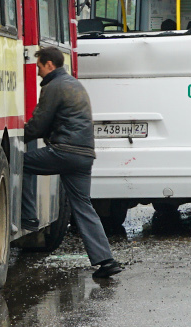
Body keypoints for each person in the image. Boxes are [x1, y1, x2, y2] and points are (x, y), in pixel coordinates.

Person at [21, 45, 122, 278]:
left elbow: (39, 124)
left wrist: (20, 136)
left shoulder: (54, 86)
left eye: (39, 67)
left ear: (49, 65)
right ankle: (106, 261)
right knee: (83, 206)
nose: (38, 73)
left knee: (21, 163)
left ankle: (28, 218)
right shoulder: (74, 84)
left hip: (64, 152)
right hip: (84, 156)